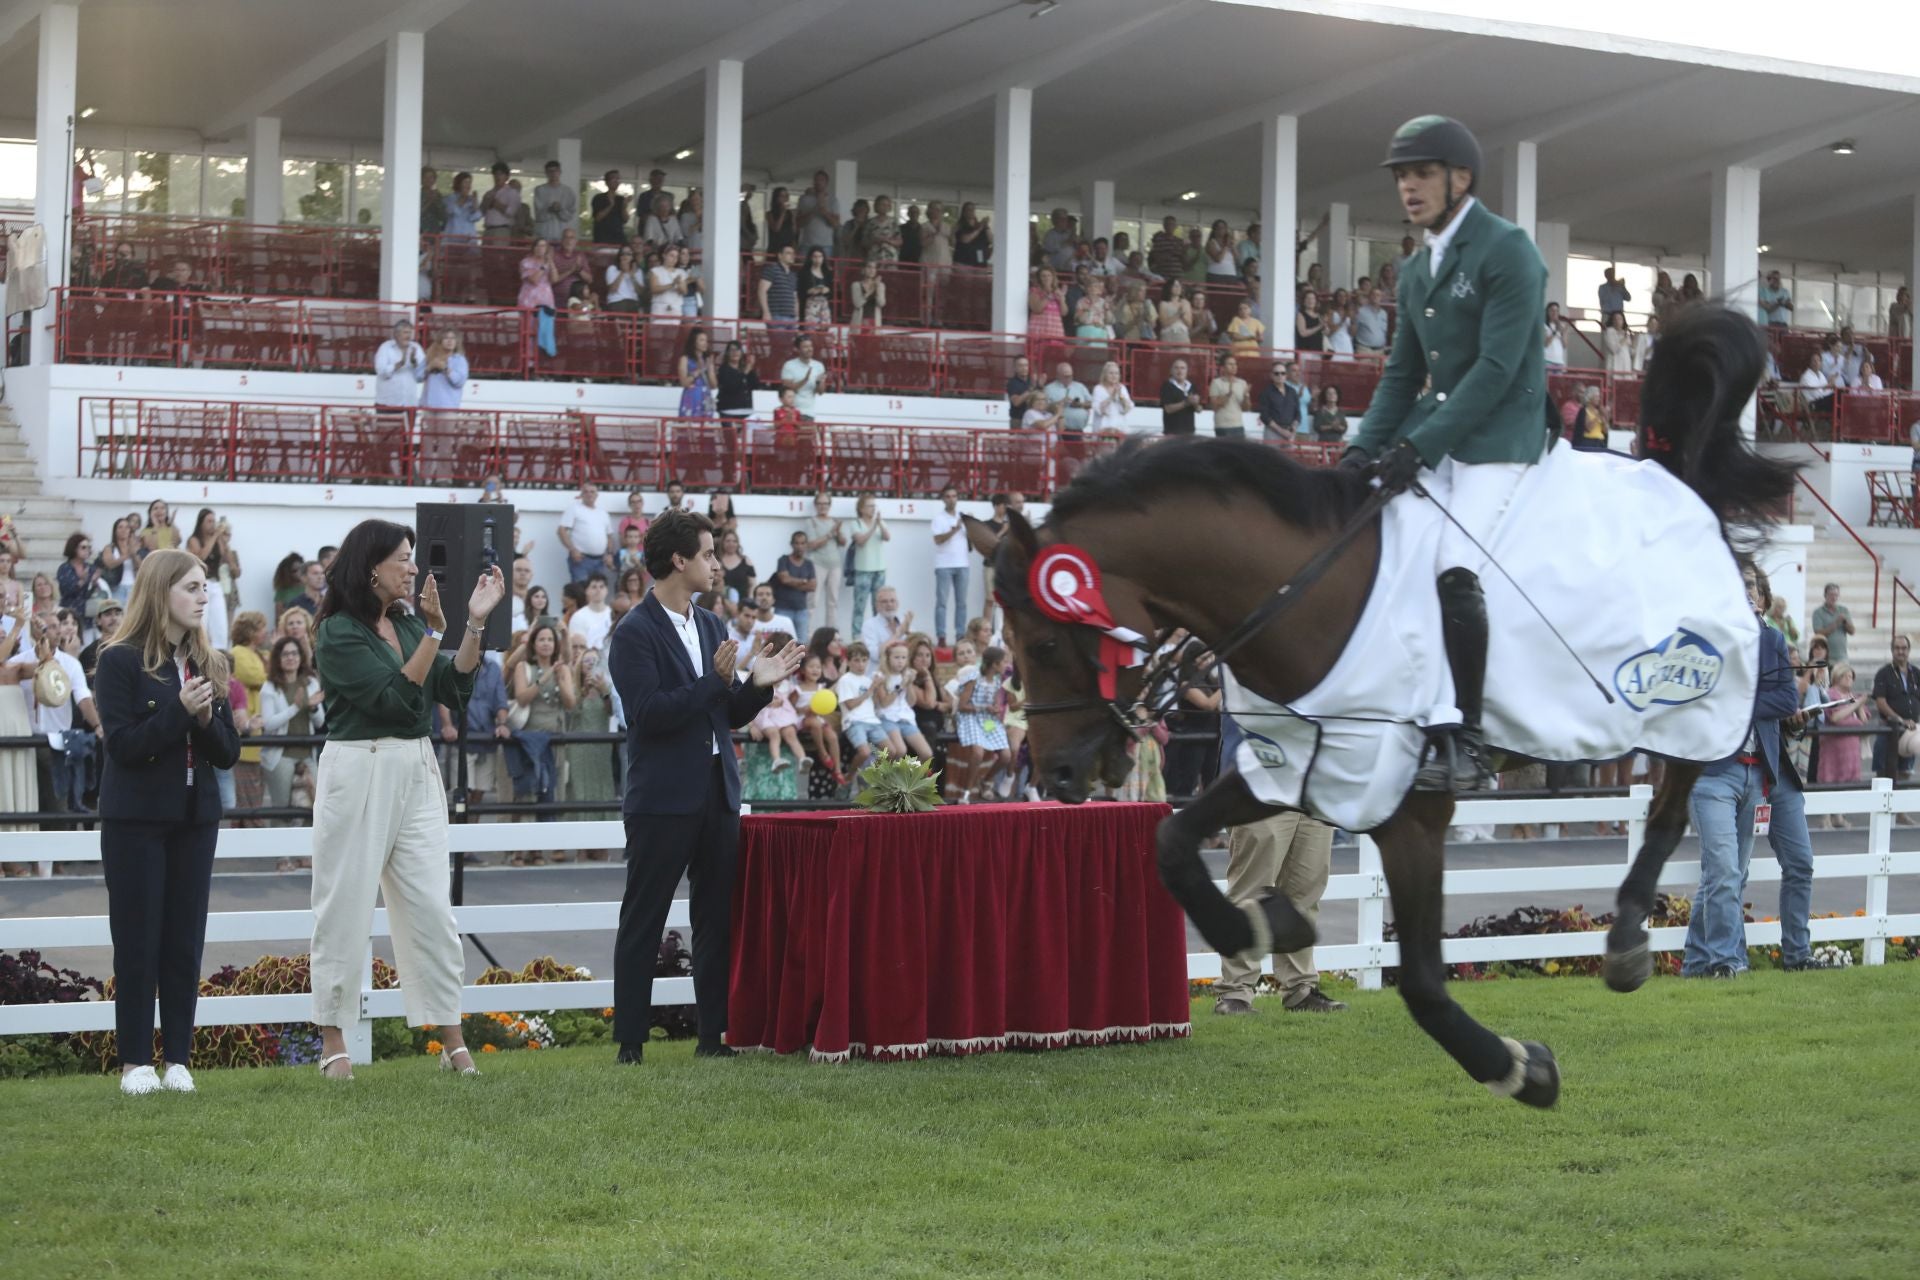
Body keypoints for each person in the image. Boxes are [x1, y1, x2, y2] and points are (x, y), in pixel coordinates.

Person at [1343, 114, 1548, 795]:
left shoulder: (1508, 249)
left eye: (1422, 172)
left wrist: (1416, 447)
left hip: (1501, 437)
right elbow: (1402, 375)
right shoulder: (1415, 267)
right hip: (1443, 429)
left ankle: (1467, 738)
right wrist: (1360, 451)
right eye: (1402, 175)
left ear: (1461, 178)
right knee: (1388, 551)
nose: (1408, 186)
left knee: (1454, 567)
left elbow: (1494, 369)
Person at [307, 521, 506, 1080]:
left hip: (416, 766)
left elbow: (453, 686)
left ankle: (451, 1041)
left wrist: (473, 623)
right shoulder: (338, 632)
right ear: (370, 566)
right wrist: (431, 634)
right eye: (402, 558)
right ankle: (333, 1043)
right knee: (343, 907)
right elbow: (395, 698)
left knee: (431, 909)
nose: (413, 568)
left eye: (412, 558)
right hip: (359, 764)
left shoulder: (406, 619)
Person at [607, 509, 801, 1063]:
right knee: (643, 918)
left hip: (718, 791)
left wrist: (758, 688)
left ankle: (712, 1037)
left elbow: (726, 712)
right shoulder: (634, 631)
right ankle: (631, 1044)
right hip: (663, 798)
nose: (717, 564)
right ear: (679, 560)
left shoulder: (713, 624)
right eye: (709, 554)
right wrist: (712, 683)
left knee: (716, 918)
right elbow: (649, 714)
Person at [94, 549, 240, 1094]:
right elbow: (125, 746)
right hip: (135, 822)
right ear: (161, 593)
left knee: (184, 941)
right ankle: (135, 1062)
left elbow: (227, 752)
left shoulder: (209, 662)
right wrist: (181, 710)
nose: (204, 597)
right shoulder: (119, 660)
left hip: (194, 819)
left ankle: (178, 1058)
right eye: (193, 587)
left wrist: (202, 718)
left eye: (205, 587)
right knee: (137, 941)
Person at [1683, 564, 1831, 977]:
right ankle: (1729, 962)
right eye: (1738, 585)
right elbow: (1698, 698)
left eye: (1751, 586)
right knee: (1726, 872)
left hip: (1757, 772)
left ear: (1762, 598)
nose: (1745, 592)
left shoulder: (1771, 639)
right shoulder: (1706, 638)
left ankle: (1697, 964)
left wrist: (1737, 703)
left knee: (1728, 874)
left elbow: (1785, 698)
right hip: (1714, 771)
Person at [1210, 726, 1347, 1015]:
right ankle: (1234, 992)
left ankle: (1300, 988)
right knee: (1249, 892)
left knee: (1306, 891)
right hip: (1258, 782)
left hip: (1313, 783)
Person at [1871, 634, 1919, 782]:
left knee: (1905, 773)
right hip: (1888, 730)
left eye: (1904, 648)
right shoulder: (1883, 673)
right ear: (1892, 650)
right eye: (1897, 648)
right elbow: (1880, 702)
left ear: (1909, 650)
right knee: (1884, 775)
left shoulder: (1917, 673)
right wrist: (1900, 720)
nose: (1901, 651)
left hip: (1910, 732)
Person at [929, 484, 970, 647]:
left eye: (954, 496)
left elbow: (971, 538)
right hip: (944, 565)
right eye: (948, 496)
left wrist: (970, 524)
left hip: (963, 564)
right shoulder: (939, 519)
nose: (951, 499)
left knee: (962, 603)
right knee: (942, 602)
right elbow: (938, 539)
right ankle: (941, 636)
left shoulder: (963, 517)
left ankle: (960, 635)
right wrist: (955, 530)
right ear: (943, 499)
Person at [558, 480, 615, 585]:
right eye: (586, 491)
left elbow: (609, 536)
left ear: (597, 495)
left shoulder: (603, 513)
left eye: (592, 491)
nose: (589, 494)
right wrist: (572, 549)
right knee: (580, 593)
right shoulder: (574, 509)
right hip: (581, 560)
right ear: (581, 494)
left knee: (597, 595)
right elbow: (561, 530)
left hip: (600, 561)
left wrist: (610, 554)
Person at [804, 493, 846, 633]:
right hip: (817, 563)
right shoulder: (811, 522)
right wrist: (830, 533)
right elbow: (811, 544)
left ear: (829, 505)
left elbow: (843, 542)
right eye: (820, 504)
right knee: (813, 600)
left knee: (833, 601)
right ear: (815, 505)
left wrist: (838, 532)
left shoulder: (834, 521)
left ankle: (831, 633)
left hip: (835, 564)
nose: (823, 507)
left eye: (825, 504)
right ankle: (807, 633)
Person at [849, 494, 889, 633]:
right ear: (861, 508)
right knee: (859, 606)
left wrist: (879, 524)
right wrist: (873, 528)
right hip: (863, 570)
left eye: (874, 506)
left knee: (878, 606)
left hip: (879, 569)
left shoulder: (879, 522)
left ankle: (877, 633)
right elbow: (860, 540)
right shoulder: (856, 523)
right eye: (869, 506)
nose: (873, 509)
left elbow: (887, 537)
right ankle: (856, 635)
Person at [770, 531, 817, 643]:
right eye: (797, 543)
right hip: (782, 608)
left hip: (801, 609)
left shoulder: (809, 564)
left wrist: (791, 582)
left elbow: (813, 586)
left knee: (802, 643)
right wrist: (804, 581)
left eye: (802, 543)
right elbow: (784, 579)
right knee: (780, 642)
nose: (800, 546)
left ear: (806, 545)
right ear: (791, 544)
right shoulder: (783, 560)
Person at [374, 320, 425, 411]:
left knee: (409, 426)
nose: (408, 336)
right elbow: (381, 372)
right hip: (387, 403)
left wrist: (414, 363)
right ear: (396, 334)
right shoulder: (385, 347)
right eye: (405, 332)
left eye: (410, 332)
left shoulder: (416, 347)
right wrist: (399, 364)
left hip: (409, 403)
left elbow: (422, 376)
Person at [416, 332, 468, 410]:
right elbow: (417, 376)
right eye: (446, 338)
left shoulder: (459, 360)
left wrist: (445, 368)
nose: (449, 341)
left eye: (453, 338)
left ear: (457, 342)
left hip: (448, 406)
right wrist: (429, 368)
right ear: (440, 341)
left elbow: (459, 382)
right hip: (428, 405)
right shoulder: (430, 357)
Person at [860, 585, 912, 659]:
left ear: (897, 604)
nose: (889, 604)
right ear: (877, 605)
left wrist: (911, 636)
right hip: (879, 670)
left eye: (892, 601)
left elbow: (915, 651)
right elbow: (874, 655)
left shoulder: (904, 621)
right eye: (884, 601)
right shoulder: (869, 625)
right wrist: (897, 635)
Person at [1809, 583, 1855, 665]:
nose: (1833, 598)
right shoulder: (1818, 612)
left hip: (1842, 656)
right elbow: (1819, 633)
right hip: (1825, 657)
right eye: (1831, 595)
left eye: (1836, 595)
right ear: (1825, 595)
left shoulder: (1844, 610)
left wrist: (1845, 622)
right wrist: (1836, 623)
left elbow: (1852, 631)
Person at [1209, 356, 1250, 440]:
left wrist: (1246, 397)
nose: (1233, 366)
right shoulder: (1216, 383)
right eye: (1230, 364)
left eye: (1235, 364)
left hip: (1238, 425)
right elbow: (1214, 406)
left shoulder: (1242, 383)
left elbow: (1246, 409)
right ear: (1223, 368)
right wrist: (1228, 394)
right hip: (1222, 426)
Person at [1160, 358, 1201, 436]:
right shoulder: (1167, 386)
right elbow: (1168, 409)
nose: (1180, 371)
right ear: (1171, 371)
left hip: (1189, 432)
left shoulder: (1192, 386)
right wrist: (1186, 403)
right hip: (1172, 432)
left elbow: (1199, 410)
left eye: (1182, 368)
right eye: (1176, 368)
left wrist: (1195, 404)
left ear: (1187, 371)